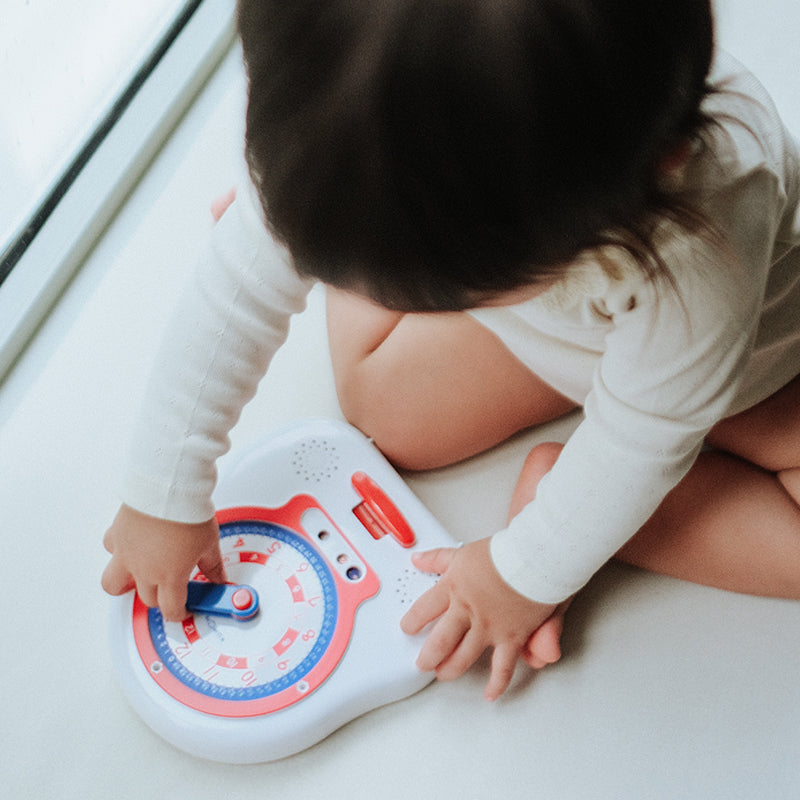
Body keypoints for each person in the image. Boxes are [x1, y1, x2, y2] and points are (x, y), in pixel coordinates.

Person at [102, 0, 800, 701]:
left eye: (448, 290)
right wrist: (164, 491)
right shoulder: (331, 123)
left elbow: (647, 432)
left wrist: (523, 570)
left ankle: (585, 503)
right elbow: (232, 293)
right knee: (390, 412)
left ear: (659, 168)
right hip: (561, 337)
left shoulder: (699, 247)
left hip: (757, 372)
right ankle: (361, 246)